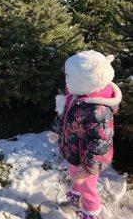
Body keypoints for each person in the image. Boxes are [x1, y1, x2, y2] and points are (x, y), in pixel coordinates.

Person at [48, 50, 122, 219]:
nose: (66, 80)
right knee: (74, 174)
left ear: (86, 80)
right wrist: (55, 130)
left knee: (88, 187)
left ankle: (91, 210)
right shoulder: (75, 94)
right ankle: (76, 193)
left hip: (86, 161)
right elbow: (63, 114)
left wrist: (88, 167)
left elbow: (100, 143)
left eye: (70, 77)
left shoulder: (98, 110)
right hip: (74, 151)